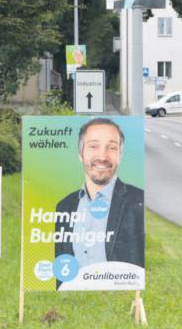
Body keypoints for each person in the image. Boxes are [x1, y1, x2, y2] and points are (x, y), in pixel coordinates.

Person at [54, 117, 144, 284]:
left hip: (118, 296)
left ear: (120, 155)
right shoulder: (64, 206)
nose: (102, 156)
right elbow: (61, 268)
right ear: (81, 154)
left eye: (112, 147)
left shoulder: (138, 201)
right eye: (94, 146)